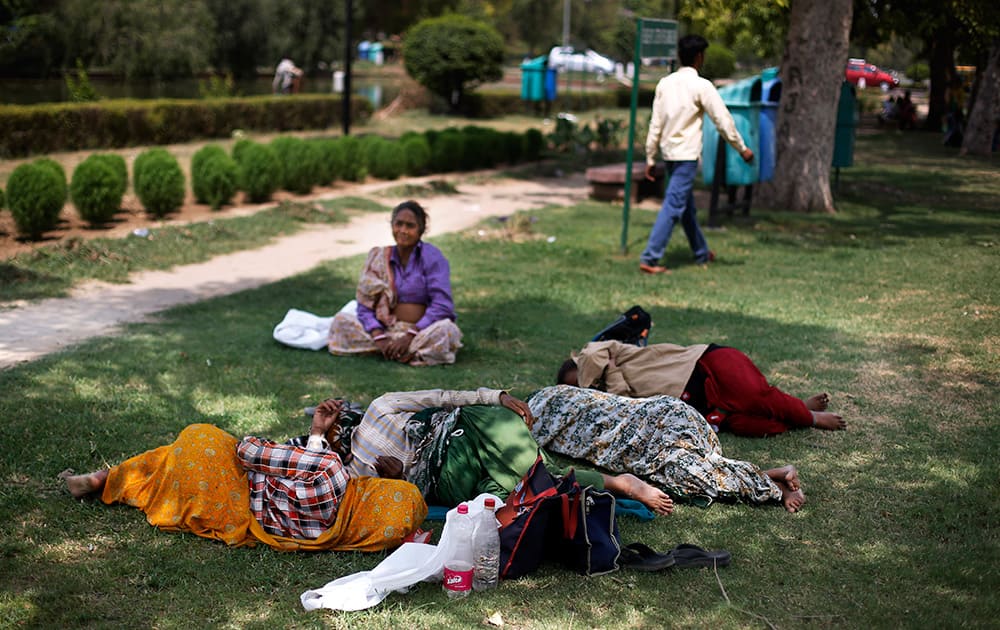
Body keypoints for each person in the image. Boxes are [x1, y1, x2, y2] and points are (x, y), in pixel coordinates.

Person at [61, 400, 427, 552]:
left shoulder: (331, 473)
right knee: (167, 471)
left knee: (197, 441)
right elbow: (305, 470)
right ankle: (108, 481)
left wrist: (317, 434)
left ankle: (104, 478)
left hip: (233, 489)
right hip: (242, 518)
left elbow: (248, 451)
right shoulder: (346, 532)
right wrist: (322, 444)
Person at [318, 387, 674, 516]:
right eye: (326, 429)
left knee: (524, 473)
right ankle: (617, 483)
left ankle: (616, 484)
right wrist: (396, 481)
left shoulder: (381, 408)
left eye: (333, 419)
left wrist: (497, 398)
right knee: (523, 490)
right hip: (448, 475)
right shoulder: (352, 476)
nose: (335, 429)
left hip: (461, 428)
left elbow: (444, 398)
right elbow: (400, 503)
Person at [527, 385, 806, 512]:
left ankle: (770, 486)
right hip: (671, 413)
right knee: (703, 465)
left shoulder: (537, 412)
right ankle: (771, 477)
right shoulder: (564, 394)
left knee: (690, 478)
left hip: (649, 432)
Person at [556, 340, 845, 437]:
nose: (584, 388)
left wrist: (596, 383)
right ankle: (797, 407)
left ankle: (811, 418)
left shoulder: (595, 352)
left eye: (580, 381)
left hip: (705, 365)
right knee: (751, 424)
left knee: (755, 396)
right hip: (702, 405)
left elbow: (594, 358)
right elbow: (625, 406)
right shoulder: (608, 393)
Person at [640, 34, 754, 275]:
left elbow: (655, 124)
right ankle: (650, 258)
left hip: (669, 154)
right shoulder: (702, 86)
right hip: (686, 157)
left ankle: (701, 252)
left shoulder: (665, 84)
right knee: (673, 205)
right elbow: (722, 120)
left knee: (686, 208)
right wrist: (741, 148)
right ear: (700, 57)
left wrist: (651, 157)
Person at [328, 201, 463, 365]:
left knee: (446, 331)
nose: (403, 231)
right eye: (398, 224)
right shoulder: (378, 257)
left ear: (421, 229)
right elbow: (365, 305)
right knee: (340, 322)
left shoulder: (432, 257)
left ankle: (397, 349)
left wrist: (410, 334)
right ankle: (399, 350)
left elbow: (442, 305)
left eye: (410, 226)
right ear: (392, 225)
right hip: (386, 330)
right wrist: (379, 335)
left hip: (421, 331)